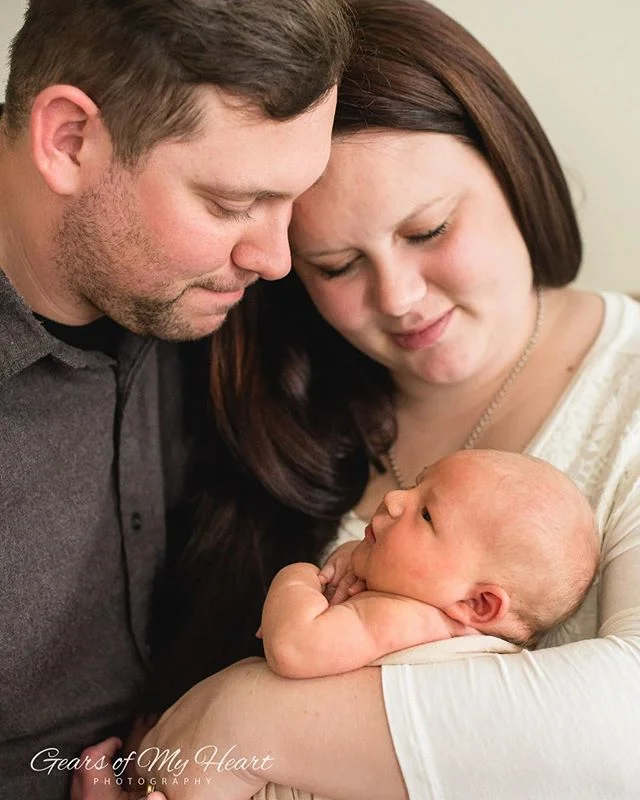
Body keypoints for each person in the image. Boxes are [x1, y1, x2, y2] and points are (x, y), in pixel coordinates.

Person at [83, 0, 640, 798]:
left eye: (429, 229)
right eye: (338, 266)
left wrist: (239, 721)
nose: (402, 297)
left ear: (513, 165)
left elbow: (629, 726)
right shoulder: (275, 405)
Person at [0, 1, 353, 797]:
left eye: (295, 195)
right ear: (69, 140)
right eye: (231, 204)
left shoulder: (240, 311)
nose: (273, 258)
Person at [262, 450, 599, 679]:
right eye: (415, 484)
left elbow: (293, 647)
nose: (394, 500)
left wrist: (299, 577)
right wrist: (361, 554)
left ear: (477, 603)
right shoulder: (452, 626)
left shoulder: (404, 619)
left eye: (426, 515)